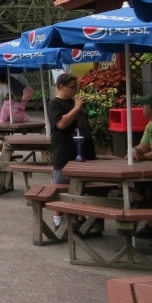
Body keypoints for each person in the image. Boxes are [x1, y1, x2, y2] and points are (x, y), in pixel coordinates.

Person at [47, 73, 96, 230]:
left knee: (85, 186)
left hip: (84, 149)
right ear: (61, 87)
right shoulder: (55, 103)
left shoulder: (76, 102)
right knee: (61, 185)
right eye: (72, 87)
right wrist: (76, 108)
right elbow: (61, 124)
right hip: (65, 151)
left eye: (77, 87)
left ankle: (82, 218)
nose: (76, 90)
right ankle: (57, 221)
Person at [130, 94, 152, 245]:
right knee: (135, 191)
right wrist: (135, 150)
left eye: (145, 105)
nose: (142, 108)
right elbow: (143, 146)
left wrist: (141, 157)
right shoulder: (151, 125)